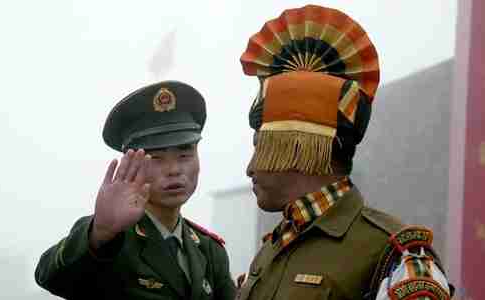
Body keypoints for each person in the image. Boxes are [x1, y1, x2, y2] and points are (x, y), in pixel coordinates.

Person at [236, 5, 453, 300]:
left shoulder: (397, 254)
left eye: (260, 147)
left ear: (300, 148)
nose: (250, 168)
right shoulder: (270, 250)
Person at [35, 81, 236, 300]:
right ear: (131, 164)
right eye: (156, 158)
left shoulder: (209, 250)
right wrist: (99, 234)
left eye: (185, 155)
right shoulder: (108, 237)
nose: (174, 170)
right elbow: (50, 277)